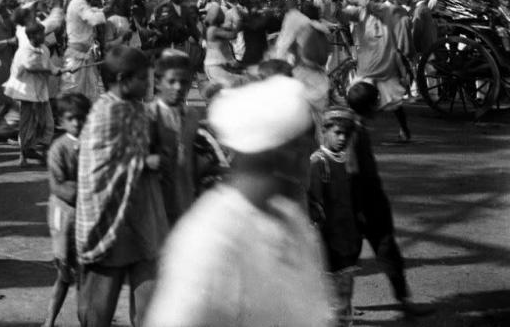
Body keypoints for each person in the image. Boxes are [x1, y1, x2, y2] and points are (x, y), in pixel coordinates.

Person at [145, 76, 332, 327]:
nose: (311, 150)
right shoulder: (211, 238)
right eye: (303, 143)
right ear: (280, 153)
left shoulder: (292, 220)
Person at [76, 46, 168, 327]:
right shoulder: (105, 113)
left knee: (150, 302)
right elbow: (98, 166)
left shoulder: (136, 109)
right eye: (143, 79)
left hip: (139, 213)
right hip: (108, 218)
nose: (148, 84)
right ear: (122, 79)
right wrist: (146, 162)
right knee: (98, 307)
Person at [345, 82, 433, 317]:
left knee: (350, 257)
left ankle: (346, 306)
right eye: (376, 101)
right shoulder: (355, 132)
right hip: (366, 203)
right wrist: (360, 207)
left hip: (358, 203)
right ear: (371, 106)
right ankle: (402, 301)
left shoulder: (351, 127)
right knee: (384, 250)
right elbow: (353, 171)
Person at [309, 106, 363, 325]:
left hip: (347, 235)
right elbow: (314, 203)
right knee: (334, 291)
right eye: (337, 133)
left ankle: (345, 315)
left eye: (346, 134)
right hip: (329, 238)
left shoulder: (346, 161)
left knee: (347, 284)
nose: (342, 138)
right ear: (325, 132)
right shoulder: (318, 162)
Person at [41, 92, 91, 327]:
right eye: (71, 118)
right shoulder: (58, 149)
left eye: (82, 118)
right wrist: (88, 190)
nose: (77, 123)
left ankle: (85, 321)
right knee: (63, 274)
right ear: (61, 120)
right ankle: (49, 321)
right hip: (64, 216)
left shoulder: (92, 145)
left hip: (86, 217)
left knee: (84, 275)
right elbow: (60, 186)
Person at [343, 0, 412, 140]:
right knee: (355, 97)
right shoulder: (362, 12)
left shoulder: (385, 10)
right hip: (368, 64)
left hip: (384, 64)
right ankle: (353, 129)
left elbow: (366, 4)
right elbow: (344, 14)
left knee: (394, 101)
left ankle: (404, 130)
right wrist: (342, 5)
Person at [147, 50, 199, 225]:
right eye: (171, 81)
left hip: (185, 196)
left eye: (184, 82)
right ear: (158, 82)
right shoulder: (148, 115)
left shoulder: (192, 115)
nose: (178, 87)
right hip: (155, 203)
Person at [2, 20, 55, 165]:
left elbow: (49, 64)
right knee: (26, 125)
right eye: (41, 34)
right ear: (32, 36)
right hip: (26, 93)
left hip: (41, 92)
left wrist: (58, 69)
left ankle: (39, 151)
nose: (44, 36)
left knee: (47, 123)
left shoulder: (44, 49)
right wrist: (52, 71)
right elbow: (31, 67)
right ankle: (23, 155)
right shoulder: (24, 51)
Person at [62, 0, 106, 102]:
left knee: (87, 90)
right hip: (77, 55)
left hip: (83, 53)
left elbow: (92, 11)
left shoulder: (80, 2)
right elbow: (93, 19)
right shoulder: (79, 3)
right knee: (73, 91)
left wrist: (102, 10)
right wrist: (106, 13)